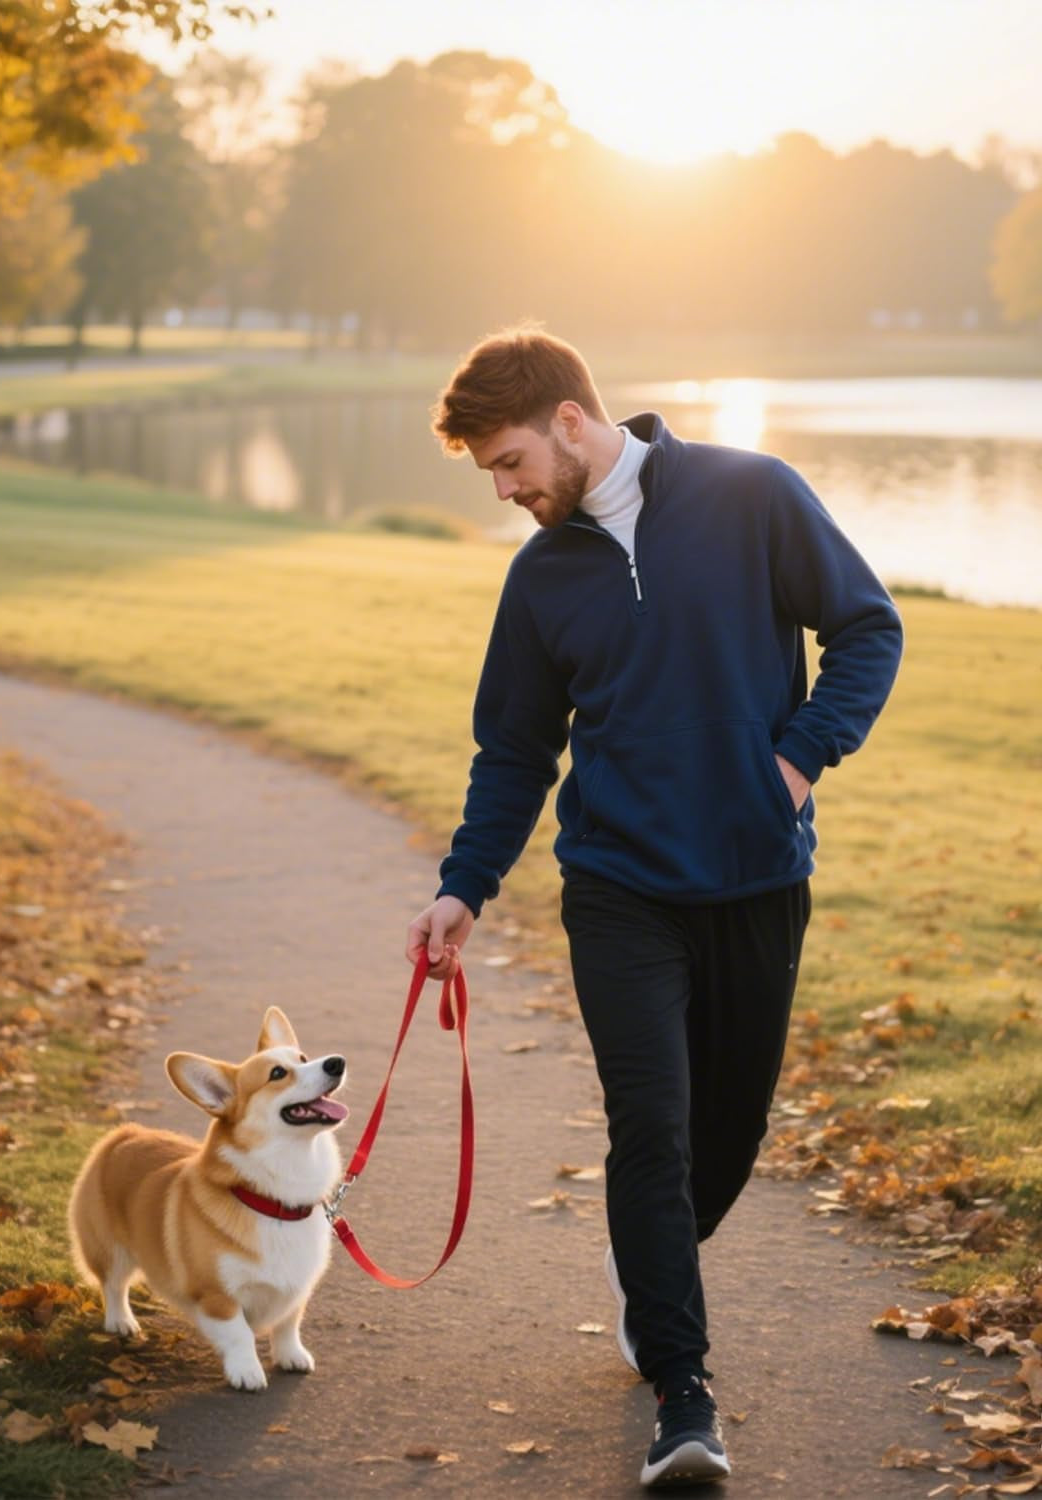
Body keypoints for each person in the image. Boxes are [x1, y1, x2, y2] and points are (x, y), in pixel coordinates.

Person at [405, 327, 903, 1489]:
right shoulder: (542, 575)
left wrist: (797, 761)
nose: (507, 487)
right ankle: (685, 1396)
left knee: (723, 1141)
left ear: (574, 420)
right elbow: (515, 750)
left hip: (758, 881)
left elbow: (868, 627)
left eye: (512, 460)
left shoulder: (752, 495)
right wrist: (461, 886)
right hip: (619, 889)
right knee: (654, 1126)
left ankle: (657, 1275)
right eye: (489, 473)